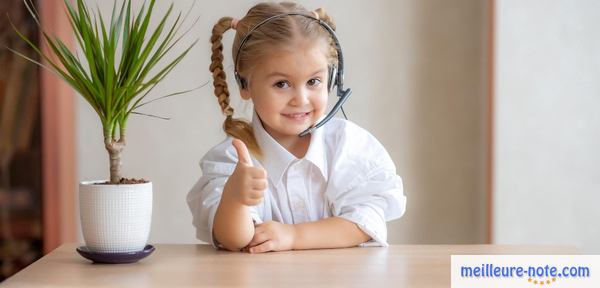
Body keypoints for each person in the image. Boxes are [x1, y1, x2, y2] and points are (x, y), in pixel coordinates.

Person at [187, 2, 406, 253]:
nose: (300, 99)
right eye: (281, 84)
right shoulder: (232, 159)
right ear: (244, 85)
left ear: (332, 79)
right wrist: (234, 199)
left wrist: (293, 237)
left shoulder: (349, 146)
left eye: (313, 81)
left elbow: (366, 222)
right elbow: (233, 239)